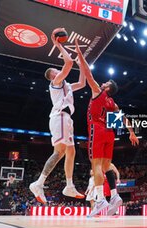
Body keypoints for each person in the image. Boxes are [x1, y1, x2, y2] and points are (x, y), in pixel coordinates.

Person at [76, 40, 139, 217]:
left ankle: (100, 199)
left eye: (105, 83)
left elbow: (87, 72)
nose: (102, 82)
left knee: (95, 164)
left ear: (108, 87)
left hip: (97, 129)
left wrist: (80, 55)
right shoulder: (112, 103)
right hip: (109, 133)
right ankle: (115, 196)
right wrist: (132, 132)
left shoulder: (98, 91)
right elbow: (123, 118)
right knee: (106, 166)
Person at [29, 28, 86, 204]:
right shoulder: (55, 82)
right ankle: (38, 183)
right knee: (60, 151)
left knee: (71, 151)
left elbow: (82, 83)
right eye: (56, 69)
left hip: (66, 119)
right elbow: (68, 63)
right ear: (53, 74)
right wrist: (58, 45)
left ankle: (69, 185)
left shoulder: (67, 85)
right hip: (60, 116)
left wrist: (83, 62)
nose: (58, 70)